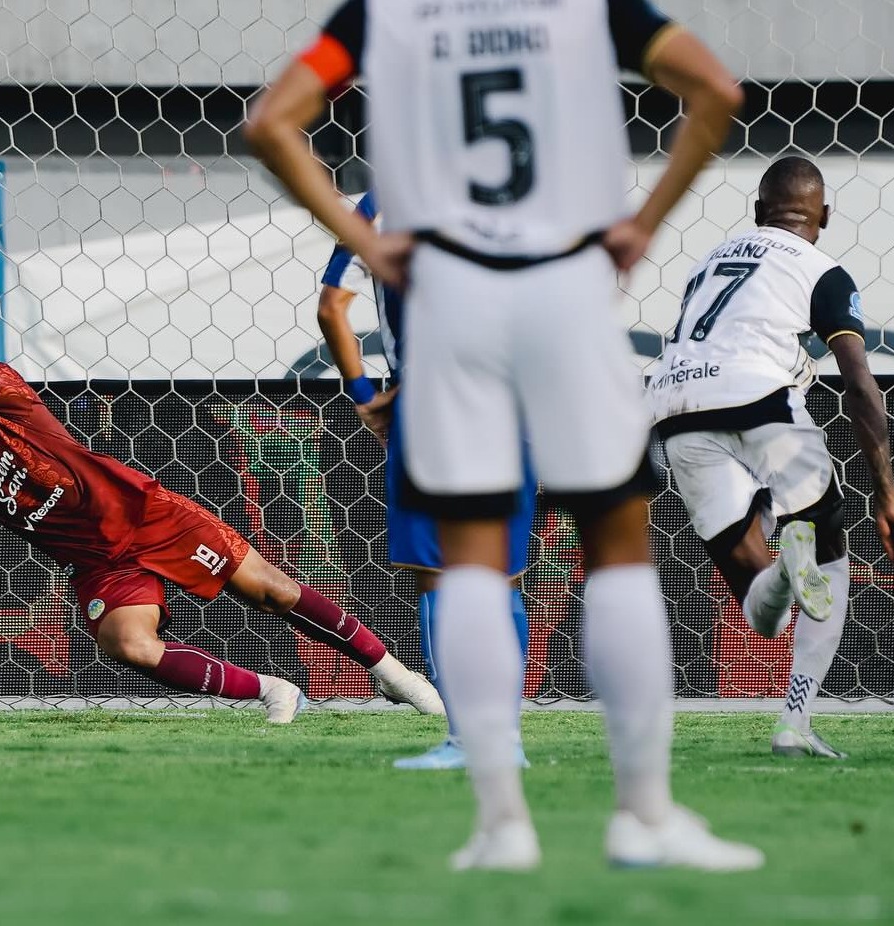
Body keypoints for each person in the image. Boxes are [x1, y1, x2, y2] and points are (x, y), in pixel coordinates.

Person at [246, 0, 760, 870]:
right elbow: (715, 90)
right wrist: (643, 224)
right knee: (617, 545)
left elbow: (270, 123)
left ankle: (500, 824)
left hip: (450, 304)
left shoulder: (386, 15)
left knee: (468, 560)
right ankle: (644, 813)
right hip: (561, 287)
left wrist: (368, 244)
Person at [0, 311, 444, 723]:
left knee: (273, 591)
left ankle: (392, 673)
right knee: (128, 647)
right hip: (96, 561)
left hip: (145, 516)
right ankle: (272, 691)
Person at [651, 157, 894, 759]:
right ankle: (793, 725)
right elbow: (860, 386)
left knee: (761, 612)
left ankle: (781, 568)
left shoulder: (708, 262)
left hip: (673, 409)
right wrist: (888, 498)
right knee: (831, 557)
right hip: (761, 398)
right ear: (823, 215)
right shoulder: (822, 270)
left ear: (757, 212)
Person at [316, 190, 533, 770]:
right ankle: (507, 740)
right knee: (502, 575)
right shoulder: (518, 194)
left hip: (430, 401)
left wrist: (367, 399)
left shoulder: (386, 201)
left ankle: (467, 740)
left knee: (440, 578)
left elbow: (332, 308)